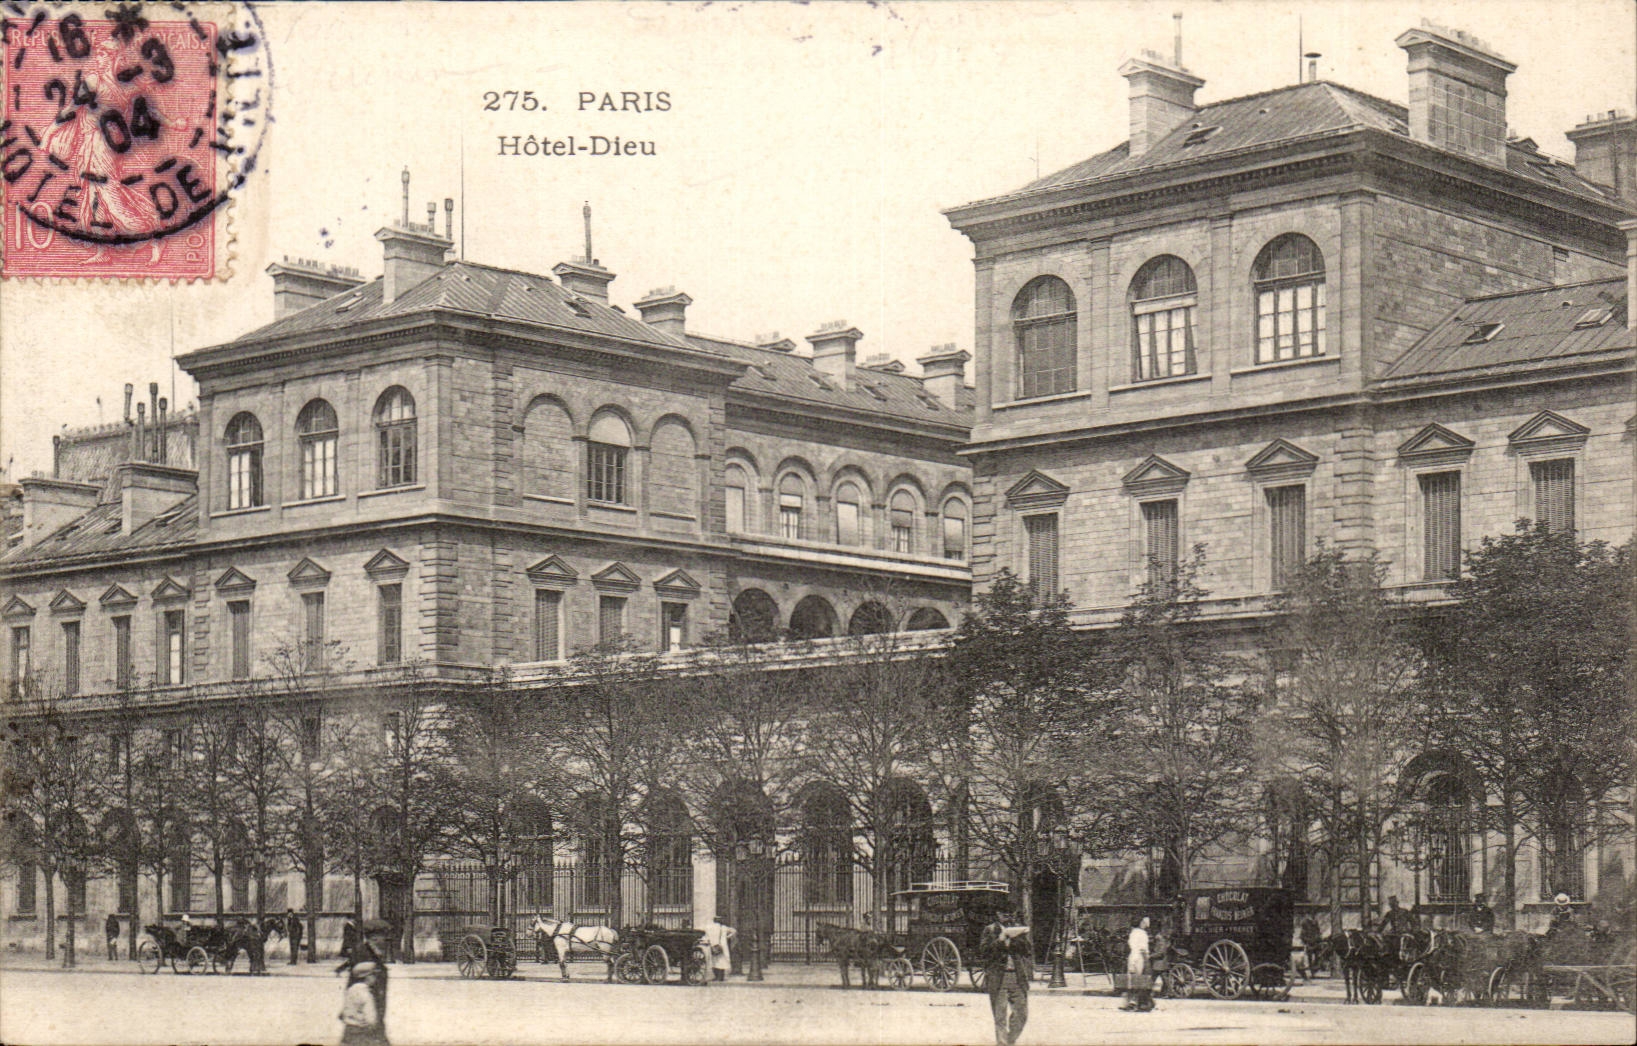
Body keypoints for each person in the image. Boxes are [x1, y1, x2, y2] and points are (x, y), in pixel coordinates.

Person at [978, 907, 1031, 1046]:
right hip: (998, 978)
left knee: (1022, 1014)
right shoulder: (990, 930)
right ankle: (1002, 1043)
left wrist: (1017, 938)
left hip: (1016, 977)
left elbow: (1027, 951)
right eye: (1005, 914)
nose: (1008, 917)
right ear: (998, 914)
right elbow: (984, 952)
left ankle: (1009, 1040)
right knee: (999, 1016)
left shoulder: (1018, 930)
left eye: (1010, 914)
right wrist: (1000, 940)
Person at [1121, 916, 1154, 1013]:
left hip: (1136, 956)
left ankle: (1133, 1002)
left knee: (1134, 980)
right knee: (1141, 980)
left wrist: (1132, 963)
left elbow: (1135, 948)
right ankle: (1143, 1003)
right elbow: (1144, 948)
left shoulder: (1134, 933)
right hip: (1143, 957)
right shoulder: (1142, 933)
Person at [702, 914, 736, 982]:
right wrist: (727, 937)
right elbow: (734, 931)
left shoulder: (710, 927)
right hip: (722, 946)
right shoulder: (724, 927)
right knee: (722, 961)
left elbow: (706, 936)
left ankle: (716, 976)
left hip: (714, 945)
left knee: (714, 961)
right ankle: (721, 977)